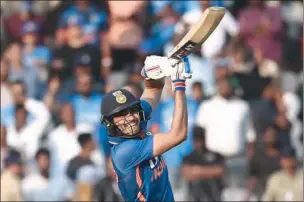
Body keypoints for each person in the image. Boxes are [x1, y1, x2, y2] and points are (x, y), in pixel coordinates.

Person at [100, 55, 191, 201]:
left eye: (131, 110)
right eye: (121, 115)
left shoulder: (135, 119)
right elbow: (178, 135)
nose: (129, 118)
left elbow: (153, 89)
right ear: (110, 122)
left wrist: (152, 73)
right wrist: (179, 85)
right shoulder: (124, 151)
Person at [182, 126, 225, 201]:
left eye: (200, 140)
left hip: (213, 197)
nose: (198, 143)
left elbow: (220, 171)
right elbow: (187, 174)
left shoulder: (215, 155)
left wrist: (197, 171)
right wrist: (210, 172)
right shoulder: (189, 157)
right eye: (196, 140)